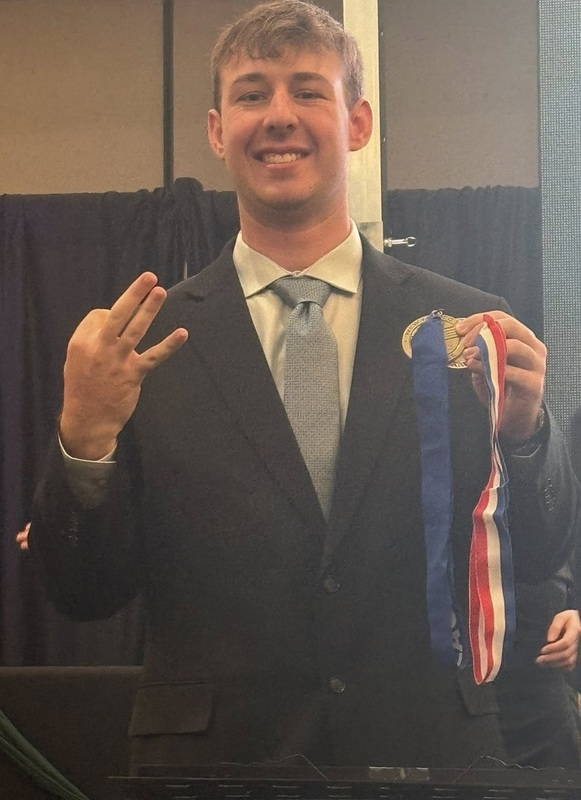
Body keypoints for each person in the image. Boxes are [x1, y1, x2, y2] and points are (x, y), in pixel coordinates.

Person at [30, 0, 580, 772]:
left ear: (356, 124)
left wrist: (526, 442)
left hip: (428, 756)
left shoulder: (469, 326)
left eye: (307, 91)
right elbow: (85, 594)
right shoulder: (137, 347)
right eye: (252, 94)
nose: (279, 116)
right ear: (218, 130)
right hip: (212, 768)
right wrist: (83, 442)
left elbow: (532, 557)